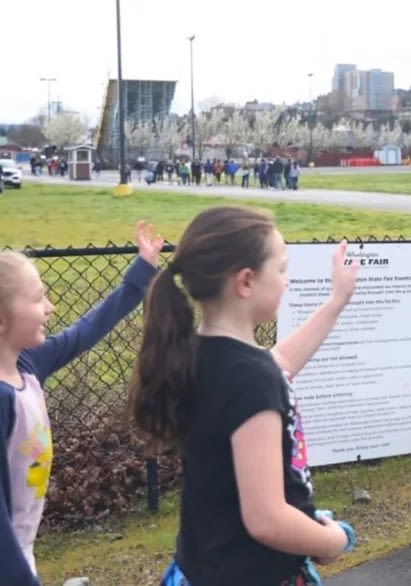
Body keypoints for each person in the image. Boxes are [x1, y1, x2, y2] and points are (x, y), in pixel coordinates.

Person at [129, 207, 357, 585]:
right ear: (246, 282)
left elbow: (279, 362)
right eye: (280, 269)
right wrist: (332, 540)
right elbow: (266, 519)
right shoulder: (251, 380)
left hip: (204, 566)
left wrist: (337, 301)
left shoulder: (200, 354)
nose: (286, 281)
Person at [0, 222, 160, 586]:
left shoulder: (28, 366)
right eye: (38, 298)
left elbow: (87, 330)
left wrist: (140, 274)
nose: (51, 307)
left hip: (20, 555)